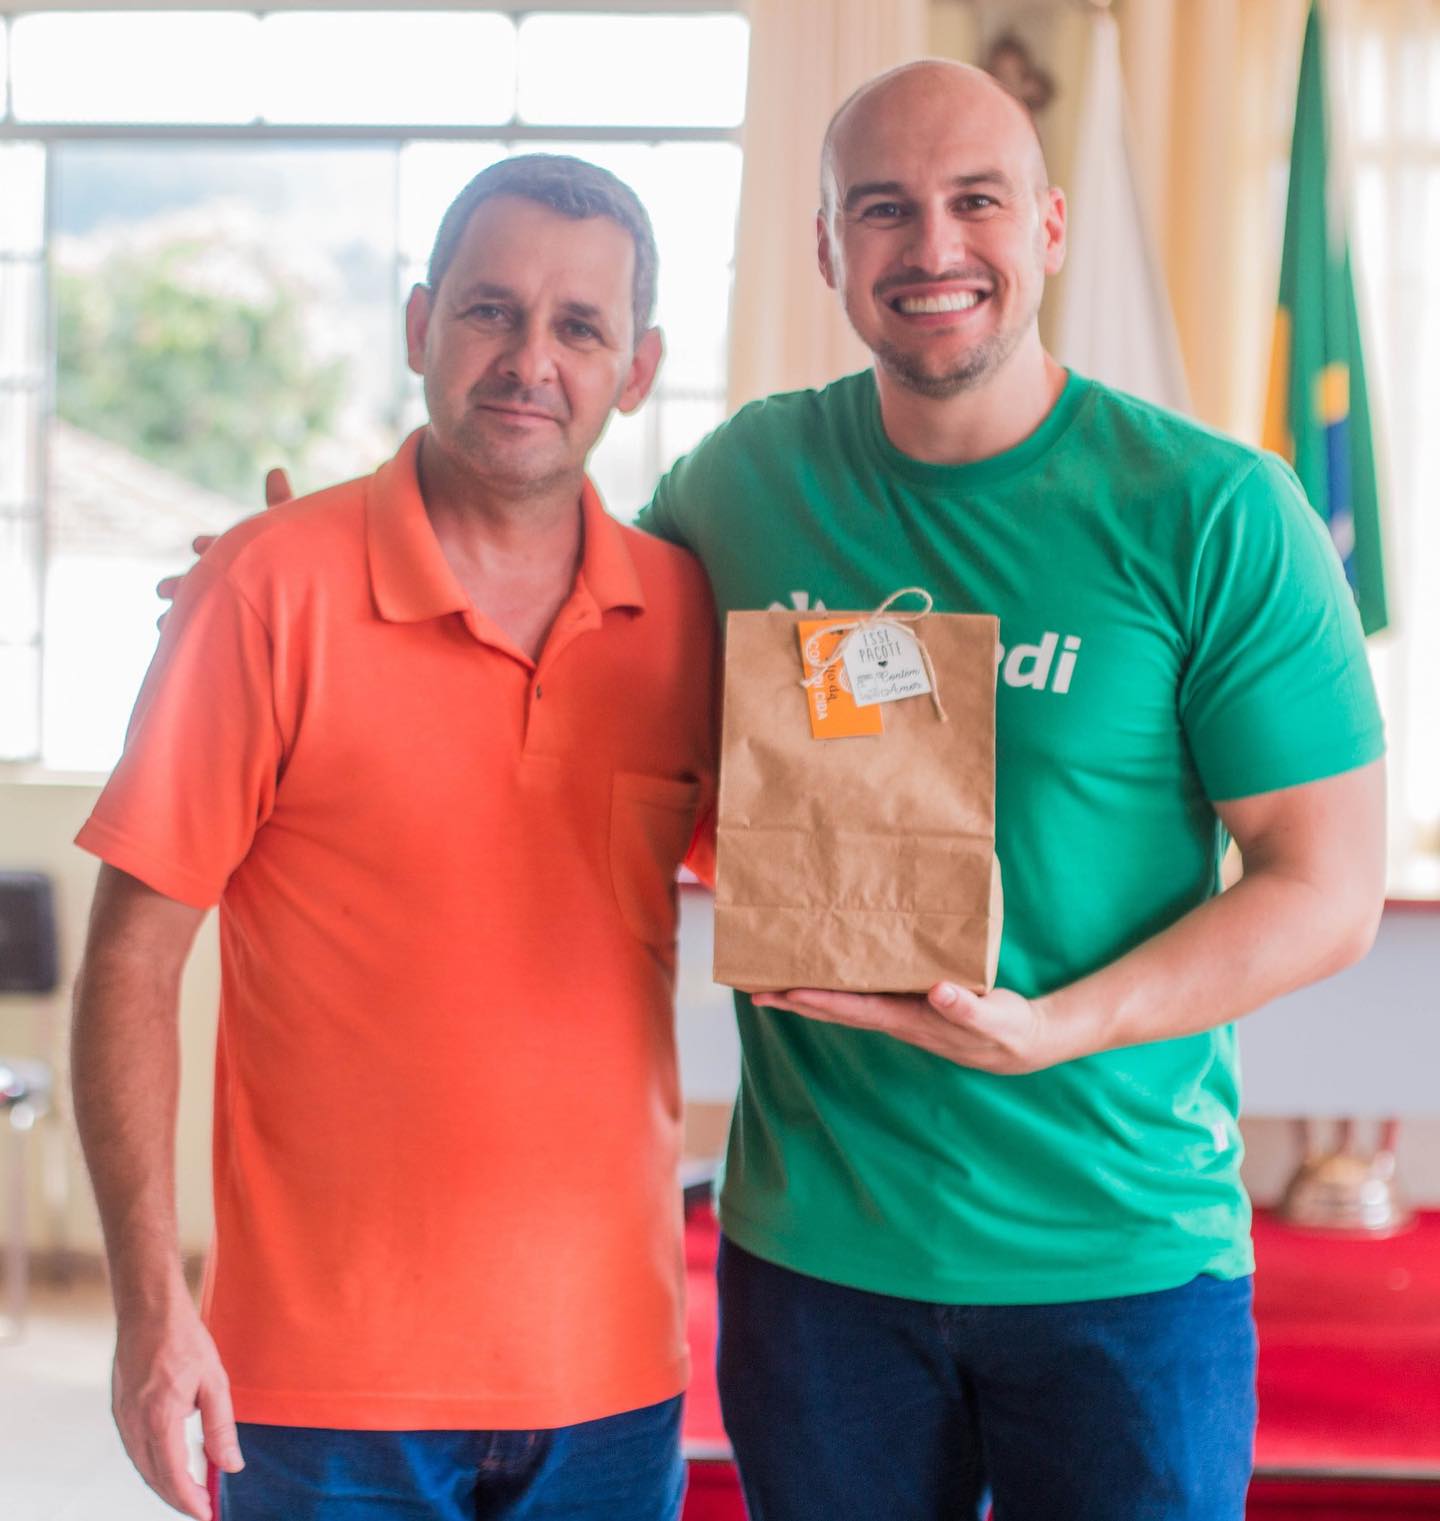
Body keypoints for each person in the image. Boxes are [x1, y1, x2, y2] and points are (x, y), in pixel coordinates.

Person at [637, 60, 1387, 1521]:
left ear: (1048, 226)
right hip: (817, 1265)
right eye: (882, 209)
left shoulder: (1214, 511)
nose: (933, 246)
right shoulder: (741, 484)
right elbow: (554, 638)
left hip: (1124, 1263)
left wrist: (1054, 1029)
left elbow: (1327, 885)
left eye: (975, 201)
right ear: (826, 248)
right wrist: (301, 574)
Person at [71, 155, 716, 1521]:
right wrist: (149, 1304)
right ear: (421, 325)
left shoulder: (688, 621)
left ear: (639, 369)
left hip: (612, 1386)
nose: (530, 360)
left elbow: (810, 889)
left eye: (580, 327)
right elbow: (129, 966)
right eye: (490, 310)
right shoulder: (265, 588)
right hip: (321, 1395)